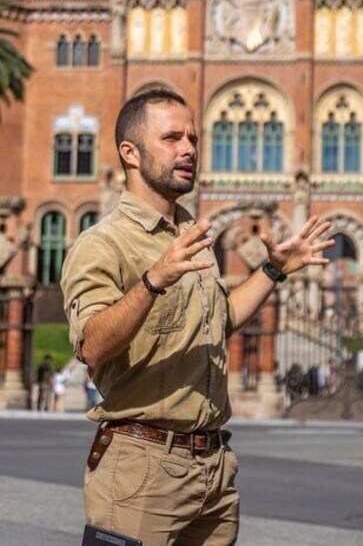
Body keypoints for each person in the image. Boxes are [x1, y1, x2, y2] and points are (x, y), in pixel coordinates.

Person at [60, 89, 334, 546]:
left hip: (213, 469)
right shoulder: (103, 243)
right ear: (130, 152)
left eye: (192, 137)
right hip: (141, 469)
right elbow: (92, 345)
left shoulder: (191, 234)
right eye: (170, 138)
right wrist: (152, 280)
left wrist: (273, 271)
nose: (188, 148)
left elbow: (219, 319)